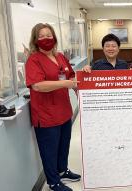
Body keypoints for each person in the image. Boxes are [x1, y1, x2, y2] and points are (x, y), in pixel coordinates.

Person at [25, 23, 80, 191]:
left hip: (64, 111)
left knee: (64, 144)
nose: (46, 39)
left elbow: (71, 75)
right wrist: (65, 83)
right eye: (41, 36)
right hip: (46, 114)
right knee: (49, 150)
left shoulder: (60, 56)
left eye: (49, 35)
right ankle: (53, 182)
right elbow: (38, 85)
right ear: (35, 40)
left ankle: (62, 171)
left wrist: (80, 90)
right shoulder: (33, 60)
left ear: (54, 37)